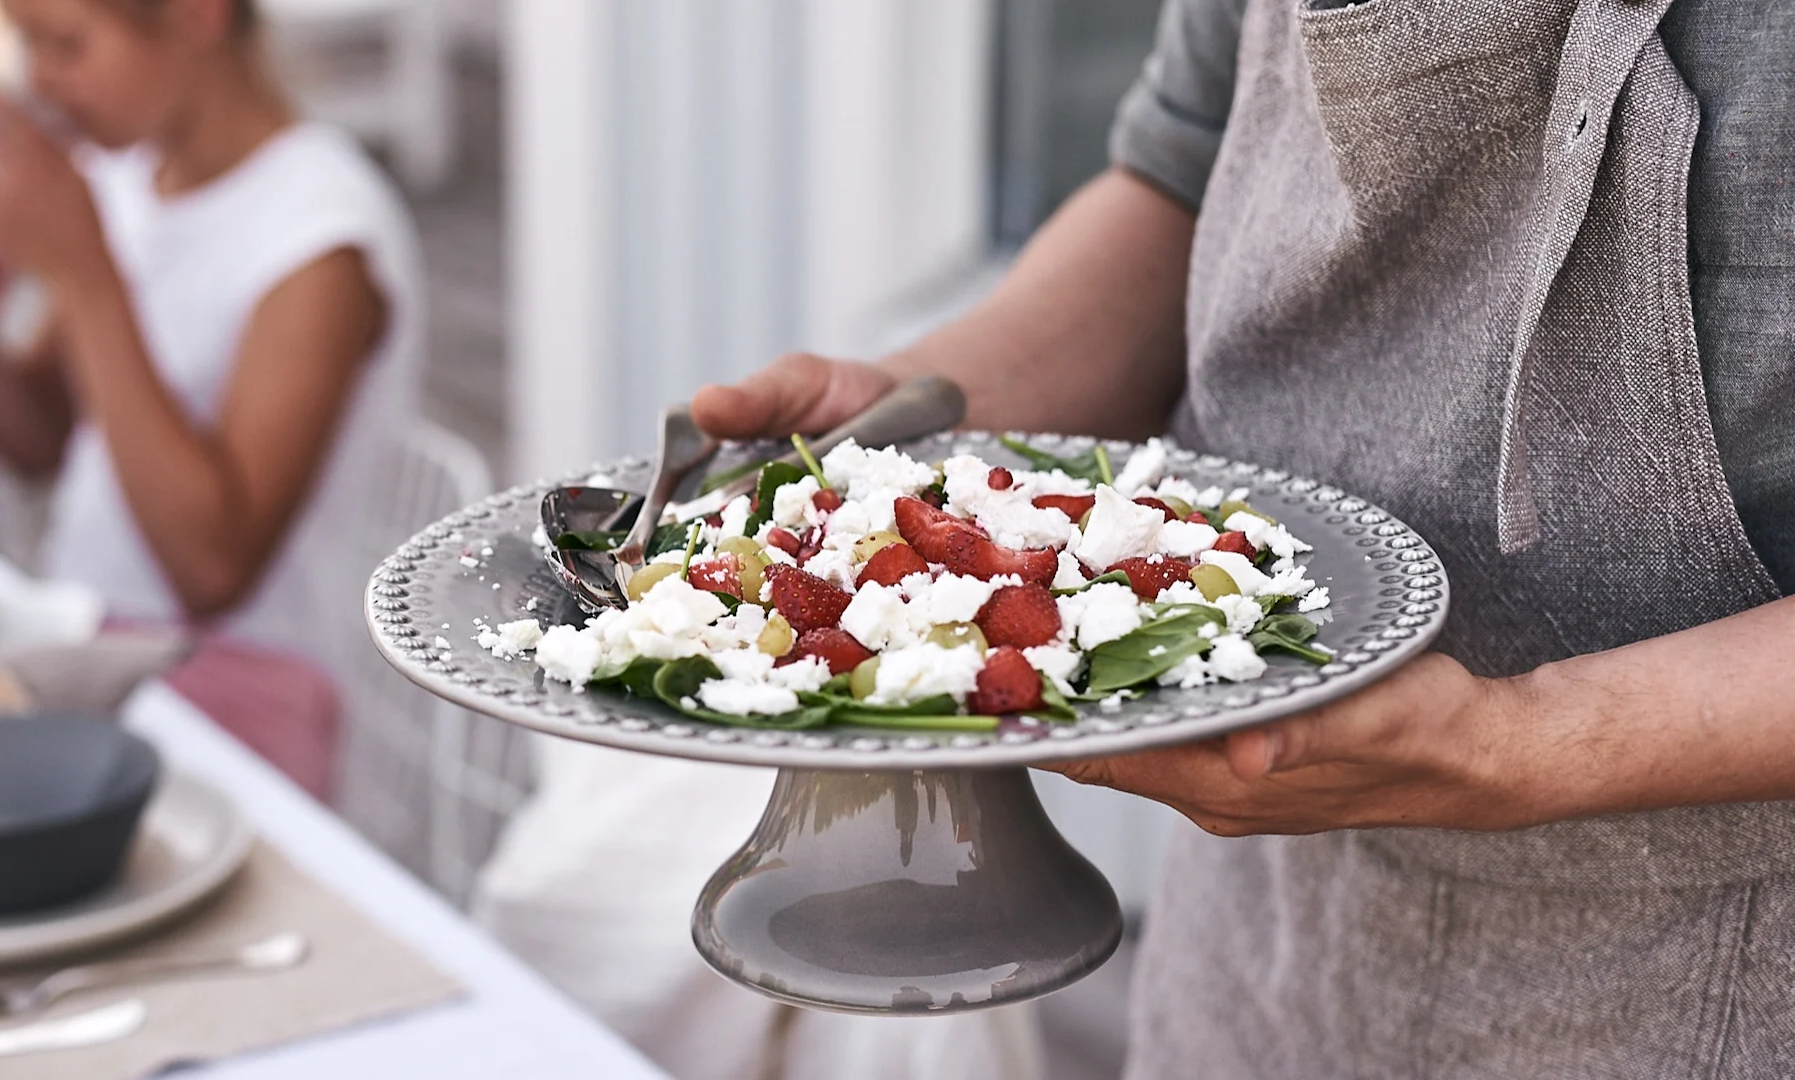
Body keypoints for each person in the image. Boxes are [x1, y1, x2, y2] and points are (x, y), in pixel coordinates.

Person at [693, 0, 1795, 1075]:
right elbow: (1187, 167)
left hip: (1728, 975)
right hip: (1263, 940)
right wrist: (913, 418)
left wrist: (1521, 741)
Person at [0, 0, 422, 796]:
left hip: (249, 694)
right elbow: (40, 440)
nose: (38, 77)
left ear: (196, 14)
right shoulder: (127, 176)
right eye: (25, 42)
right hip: (92, 644)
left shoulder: (321, 240)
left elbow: (211, 573)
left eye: (66, 42)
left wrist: (86, 274)